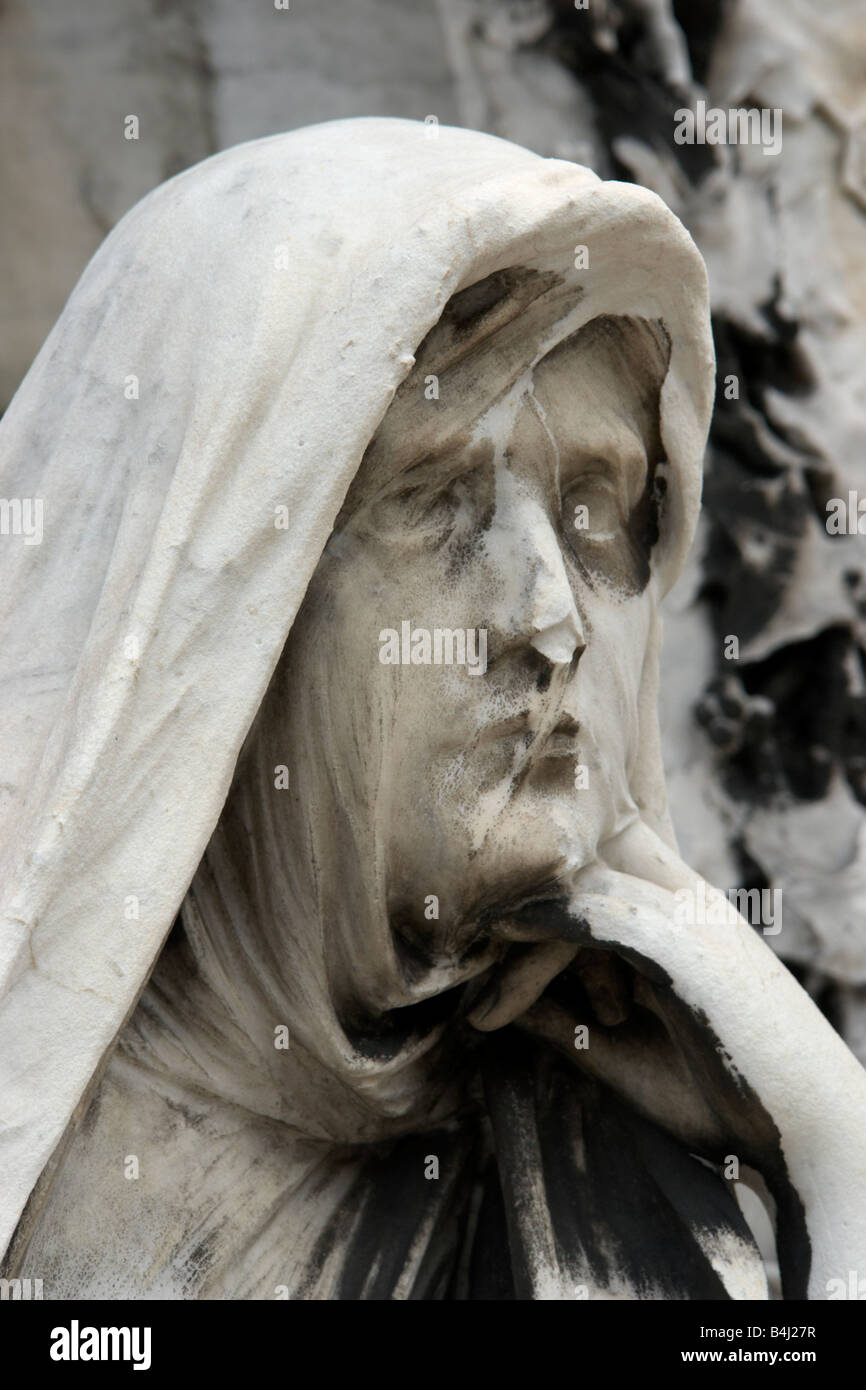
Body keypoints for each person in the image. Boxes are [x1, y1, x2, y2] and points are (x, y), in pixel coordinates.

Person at [1, 118, 863, 1299]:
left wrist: (831, 1154)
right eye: (436, 500)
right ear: (221, 610)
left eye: (595, 512)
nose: (550, 618)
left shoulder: (612, 1160)